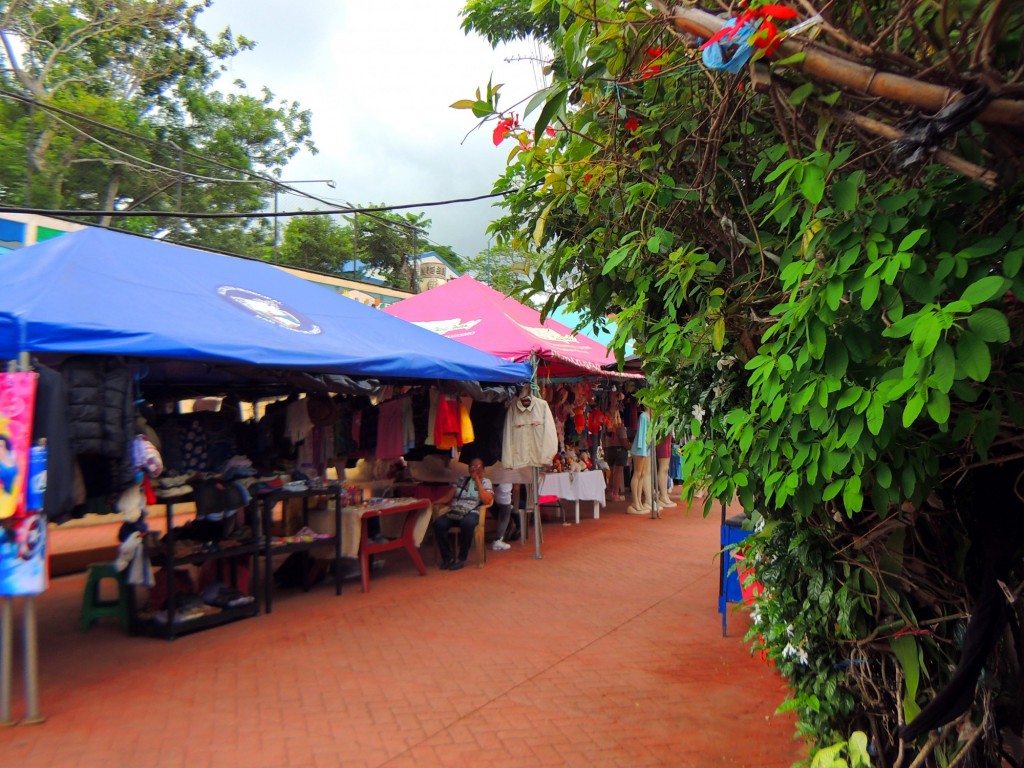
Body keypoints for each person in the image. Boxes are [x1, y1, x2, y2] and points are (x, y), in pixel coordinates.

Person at [432, 457, 493, 571]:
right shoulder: (461, 480)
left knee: (467, 524)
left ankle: (461, 558)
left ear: (483, 470)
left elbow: (487, 500)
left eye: (478, 466)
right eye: (472, 466)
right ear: (469, 469)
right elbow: (448, 497)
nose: (475, 469)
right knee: (438, 523)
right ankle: (447, 558)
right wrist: (432, 502)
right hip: (456, 511)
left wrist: (477, 481)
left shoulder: (486, 482)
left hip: (472, 512)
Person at [490, 482, 514, 551]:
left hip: (494, 494)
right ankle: (498, 540)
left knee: (501, 516)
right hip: (504, 494)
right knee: (505, 517)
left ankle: (499, 539)